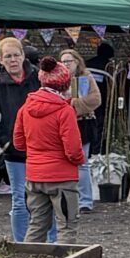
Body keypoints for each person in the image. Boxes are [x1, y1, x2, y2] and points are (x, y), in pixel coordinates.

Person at [16, 62, 86, 244]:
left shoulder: (25, 108)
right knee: (67, 226)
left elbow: (18, 142)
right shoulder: (64, 111)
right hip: (62, 177)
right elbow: (72, 149)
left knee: (36, 224)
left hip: (34, 176)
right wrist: (79, 160)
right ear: (65, 84)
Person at [0, 40, 38, 242]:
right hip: (15, 152)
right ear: (1, 60)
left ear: (23, 56)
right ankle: (22, 244)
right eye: (8, 56)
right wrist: (4, 141)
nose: (13, 60)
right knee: (20, 200)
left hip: (42, 150)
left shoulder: (39, 78)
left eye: (16, 55)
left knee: (45, 199)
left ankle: (50, 241)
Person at [68, 56, 106, 212]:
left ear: (77, 62)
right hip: (64, 125)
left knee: (82, 163)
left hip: (84, 124)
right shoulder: (57, 79)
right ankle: (70, 200)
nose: (66, 64)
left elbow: (95, 100)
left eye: (69, 61)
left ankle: (85, 201)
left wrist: (74, 105)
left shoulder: (86, 77)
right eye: (63, 61)